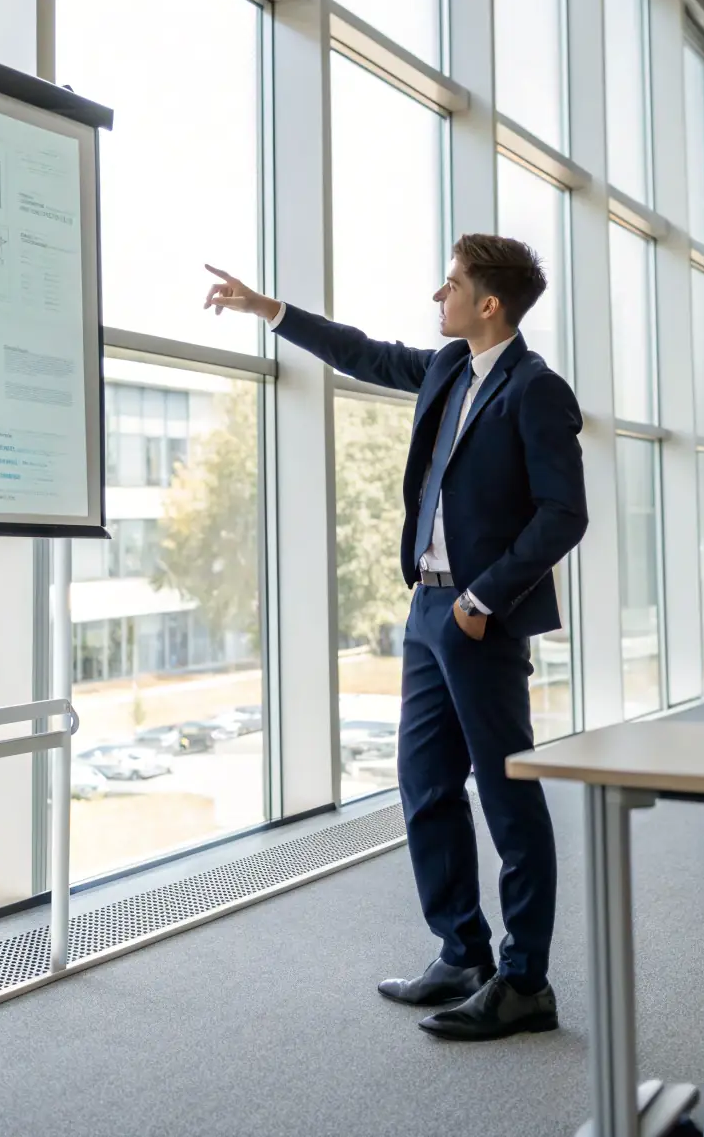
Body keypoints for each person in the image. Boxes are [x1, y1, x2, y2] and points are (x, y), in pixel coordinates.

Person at [204, 234, 588, 1041]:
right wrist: (268, 309)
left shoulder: (535, 389)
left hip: (479, 616)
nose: (438, 296)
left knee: (507, 796)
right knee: (424, 786)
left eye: (451, 285)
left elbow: (564, 514)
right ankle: (462, 952)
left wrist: (483, 598)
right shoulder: (449, 367)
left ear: (489, 303)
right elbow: (365, 353)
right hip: (427, 611)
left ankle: (526, 980)